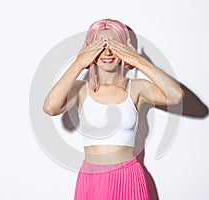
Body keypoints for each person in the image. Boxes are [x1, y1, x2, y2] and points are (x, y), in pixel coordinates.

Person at [43, 19, 184, 200]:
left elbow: (176, 96)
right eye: (100, 45)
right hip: (91, 179)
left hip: (128, 177)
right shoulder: (79, 89)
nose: (107, 52)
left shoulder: (136, 88)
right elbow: (50, 107)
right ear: (88, 48)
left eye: (114, 45)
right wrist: (78, 63)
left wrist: (137, 60)